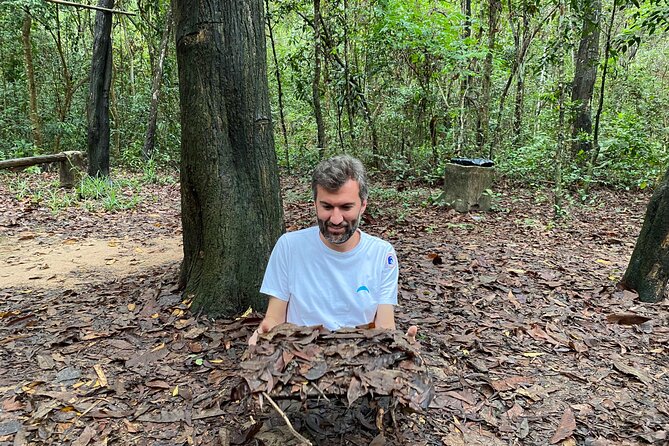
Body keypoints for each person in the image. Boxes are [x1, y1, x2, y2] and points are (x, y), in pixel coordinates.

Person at [249, 155, 417, 345]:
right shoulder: (289, 247)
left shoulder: (382, 254)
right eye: (327, 206)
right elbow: (274, 318)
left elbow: (384, 326)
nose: (336, 219)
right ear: (315, 204)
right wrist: (263, 334)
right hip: (300, 355)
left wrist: (401, 347)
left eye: (346, 207)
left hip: (361, 358)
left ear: (363, 205)